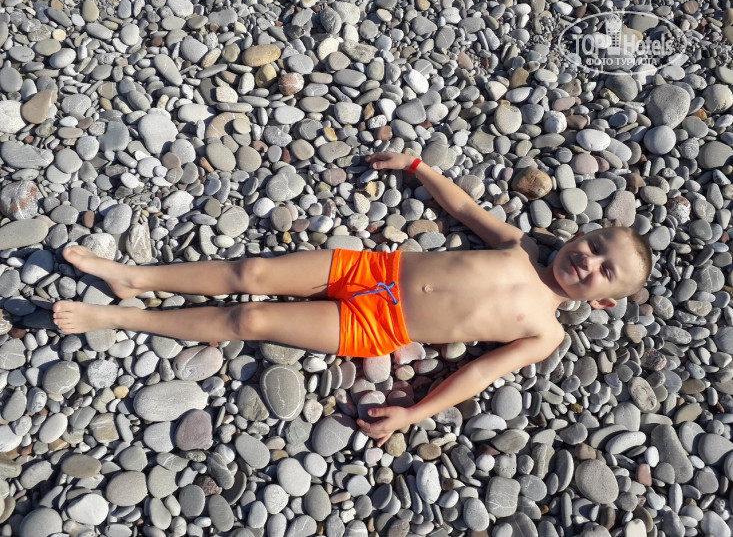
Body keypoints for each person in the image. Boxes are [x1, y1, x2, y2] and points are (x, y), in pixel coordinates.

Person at [52, 151, 652, 446]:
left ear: (603, 303)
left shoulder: (545, 332)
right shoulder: (522, 245)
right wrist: (419, 167)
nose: (587, 261)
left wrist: (414, 414)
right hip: (374, 269)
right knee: (253, 270)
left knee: (250, 319)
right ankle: (135, 276)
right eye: (595, 245)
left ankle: (119, 316)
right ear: (583, 233)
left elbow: (478, 373)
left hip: (377, 327)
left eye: (604, 272)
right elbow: (465, 209)